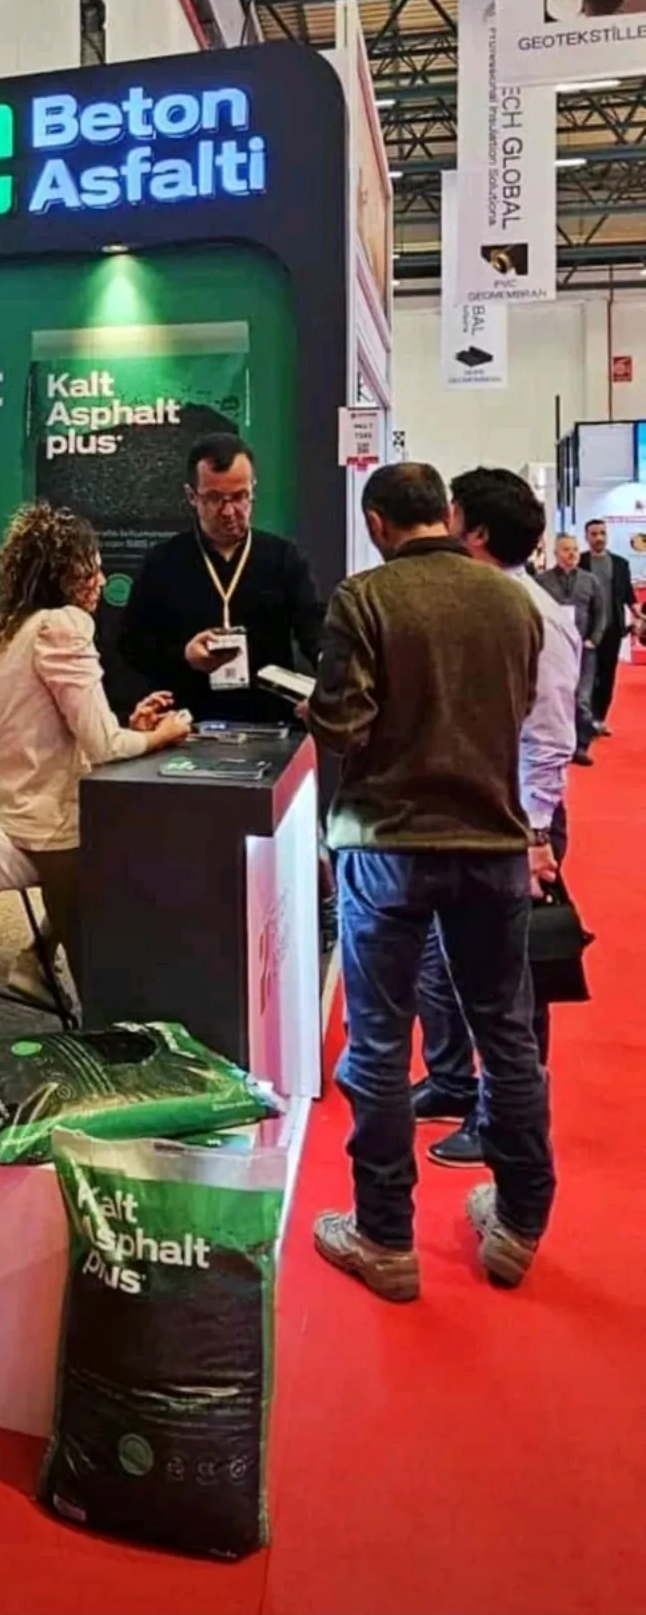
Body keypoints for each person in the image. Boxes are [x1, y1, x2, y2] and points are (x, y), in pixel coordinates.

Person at [306, 463, 555, 1300]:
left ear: (377, 522)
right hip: (491, 842)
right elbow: (519, 711)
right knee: (506, 1033)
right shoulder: (513, 603)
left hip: (387, 841)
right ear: (444, 513)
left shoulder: (364, 598)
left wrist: (316, 705)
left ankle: (384, 1237)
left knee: (379, 1042)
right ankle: (519, 1220)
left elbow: (342, 724)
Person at [412, 469, 579, 1167]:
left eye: (451, 514)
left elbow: (550, 735)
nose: (442, 526)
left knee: (510, 982)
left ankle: (504, 1117)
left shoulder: (535, 614)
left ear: (475, 532)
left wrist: (534, 834)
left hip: (513, 820)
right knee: (438, 963)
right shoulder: (474, 602)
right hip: (461, 810)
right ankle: (452, 1079)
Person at [0, 503, 191, 993]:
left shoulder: (7, 629)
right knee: (117, 865)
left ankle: (38, 958)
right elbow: (103, 745)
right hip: (36, 820)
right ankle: (96, 1017)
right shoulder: (61, 626)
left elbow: (63, 730)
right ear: (62, 575)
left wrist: (132, 728)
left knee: (113, 844)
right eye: (91, 569)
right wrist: (163, 733)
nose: (101, 581)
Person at [118, 432, 324, 723]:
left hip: (271, 718)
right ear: (192, 496)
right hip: (186, 722)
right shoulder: (163, 562)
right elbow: (132, 645)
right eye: (214, 498)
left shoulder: (282, 557)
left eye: (240, 497)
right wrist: (184, 655)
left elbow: (313, 627)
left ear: (253, 489)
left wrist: (329, 667)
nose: (228, 511)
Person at [537, 533, 605, 764]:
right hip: (554, 649)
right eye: (566, 550)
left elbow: (600, 614)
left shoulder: (590, 581)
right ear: (556, 553)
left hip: (584, 648)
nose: (572, 554)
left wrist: (594, 639)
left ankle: (581, 746)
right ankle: (556, 743)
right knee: (555, 697)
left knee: (582, 698)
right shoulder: (541, 581)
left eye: (575, 549)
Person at [582, 519, 635, 735]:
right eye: (594, 534)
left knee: (607, 675)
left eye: (602, 533)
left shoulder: (621, 564)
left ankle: (599, 719)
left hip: (612, 629)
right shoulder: (580, 562)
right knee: (586, 676)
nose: (599, 538)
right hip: (586, 630)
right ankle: (584, 719)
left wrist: (639, 615)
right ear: (586, 537)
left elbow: (629, 596)